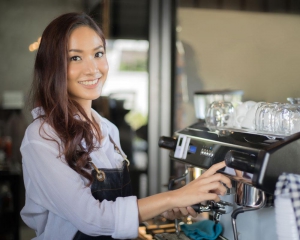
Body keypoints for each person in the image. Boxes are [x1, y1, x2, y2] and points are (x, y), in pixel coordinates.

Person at [20, 12, 232, 240]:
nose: (93, 69)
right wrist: (173, 197)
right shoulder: (41, 137)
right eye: (75, 58)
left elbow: (117, 212)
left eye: (98, 54)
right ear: (52, 66)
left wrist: (164, 208)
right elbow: (93, 219)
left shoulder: (108, 130)